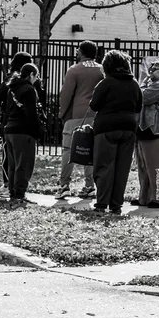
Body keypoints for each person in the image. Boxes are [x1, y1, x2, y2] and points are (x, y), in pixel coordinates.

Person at [88, 50, 142, 215]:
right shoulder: (134, 84)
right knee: (122, 168)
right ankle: (116, 205)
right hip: (128, 129)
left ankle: (102, 203)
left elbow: (94, 105)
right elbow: (138, 107)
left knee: (104, 166)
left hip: (106, 128)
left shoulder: (106, 83)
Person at [56, 41, 103, 199]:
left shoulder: (74, 69)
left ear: (81, 52)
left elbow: (66, 95)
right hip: (96, 115)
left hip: (76, 115)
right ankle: (90, 186)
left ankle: (64, 185)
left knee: (68, 150)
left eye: (78, 51)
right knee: (90, 150)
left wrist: (62, 114)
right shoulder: (101, 69)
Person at [0, 52, 37, 197]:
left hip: (9, 122)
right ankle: (17, 191)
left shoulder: (11, 81)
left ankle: (9, 186)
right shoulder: (28, 85)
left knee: (10, 159)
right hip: (23, 126)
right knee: (21, 161)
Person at [135, 60, 159, 208]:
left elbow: (141, 97)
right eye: (150, 69)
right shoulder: (152, 84)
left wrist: (143, 83)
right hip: (146, 129)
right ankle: (144, 198)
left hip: (157, 129)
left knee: (157, 166)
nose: (151, 72)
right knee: (145, 166)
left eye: (155, 69)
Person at [1, 63, 41, 203]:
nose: (37, 79)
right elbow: (31, 114)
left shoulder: (11, 89)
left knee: (13, 164)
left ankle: (13, 192)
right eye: (36, 76)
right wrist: (37, 131)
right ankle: (20, 194)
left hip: (10, 130)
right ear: (31, 75)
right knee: (24, 164)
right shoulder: (29, 90)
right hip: (24, 131)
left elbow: (7, 110)